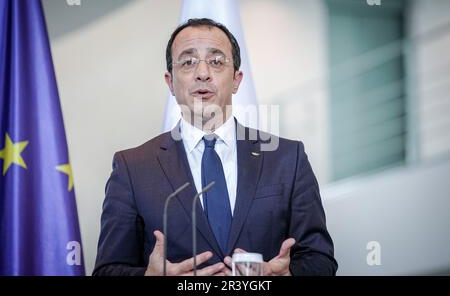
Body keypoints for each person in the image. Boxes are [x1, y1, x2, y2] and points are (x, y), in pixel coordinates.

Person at [93, 18, 338, 276]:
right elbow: (106, 270)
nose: (202, 73)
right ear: (170, 82)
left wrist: (286, 275)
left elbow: (320, 259)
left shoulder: (288, 158)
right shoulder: (132, 168)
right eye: (187, 62)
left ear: (236, 79)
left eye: (217, 61)